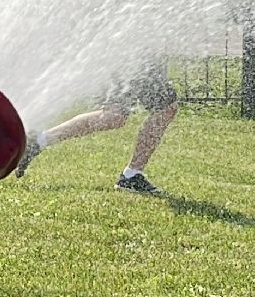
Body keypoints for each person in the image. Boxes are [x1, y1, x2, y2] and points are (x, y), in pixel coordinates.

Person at [13, 56, 180, 195]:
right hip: (137, 57)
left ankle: (38, 140)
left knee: (113, 117)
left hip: (135, 56)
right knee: (165, 108)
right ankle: (131, 176)